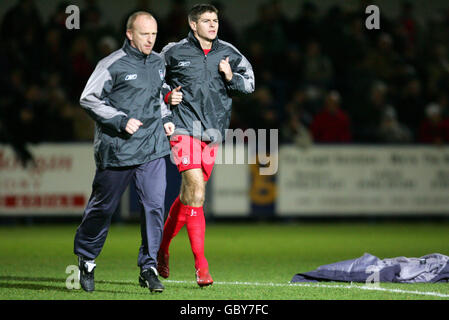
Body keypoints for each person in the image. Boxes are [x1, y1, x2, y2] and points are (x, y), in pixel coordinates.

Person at [73, 11, 177, 293]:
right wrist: (120, 119)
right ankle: (87, 258)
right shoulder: (112, 64)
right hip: (118, 149)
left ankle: (149, 266)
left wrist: (167, 119)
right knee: (102, 208)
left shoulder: (157, 62)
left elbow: (158, 96)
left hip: (153, 147)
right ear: (130, 34)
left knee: (155, 206)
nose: (150, 40)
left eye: (154, 34)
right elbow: (88, 98)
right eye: (145, 34)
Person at [157, 3, 255, 287]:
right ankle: (202, 266)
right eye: (206, 21)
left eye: (215, 20)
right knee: (197, 190)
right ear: (192, 24)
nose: (213, 25)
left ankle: (162, 249)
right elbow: (154, 81)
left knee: (190, 198)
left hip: (212, 133)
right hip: (183, 129)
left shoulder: (229, 53)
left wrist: (230, 76)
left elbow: (249, 85)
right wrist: (167, 97)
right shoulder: (173, 52)